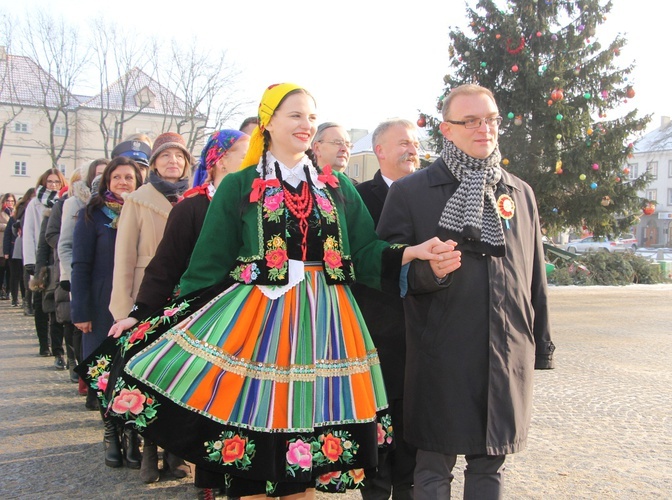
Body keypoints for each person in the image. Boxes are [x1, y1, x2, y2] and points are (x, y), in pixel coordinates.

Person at [105, 83, 457, 499]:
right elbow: (204, 268)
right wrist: (146, 314)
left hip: (324, 329)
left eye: (311, 116)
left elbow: (364, 252)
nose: (306, 124)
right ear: (268, 122)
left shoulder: (336, 188)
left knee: (304, 453)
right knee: (251, 450)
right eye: (295, 115)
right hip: (255, 332)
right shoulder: (238, 187)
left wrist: (412, 252)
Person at [377, 84, 555, 500]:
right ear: (447, 130)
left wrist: (540, 345)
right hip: (441, 353)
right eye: (471, 120)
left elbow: (534, 280)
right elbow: (386, 272)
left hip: (505, 354)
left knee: (490, 464)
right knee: (434, 465)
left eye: (491, 119)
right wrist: (430, 273)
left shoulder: (519, 193)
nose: (484, 129)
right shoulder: (410, 193)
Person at [107, 129, 249, 499]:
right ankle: (206, 480)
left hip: (250, 316)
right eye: (241, 152)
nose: (250, 159)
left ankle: (241, 475)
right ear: (219, 160)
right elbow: (164, 266)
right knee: (205, 398)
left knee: (240, 399)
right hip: (202, 315)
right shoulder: (191, 207)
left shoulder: (257, 205)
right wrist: (137, 313)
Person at [109, 131, 192, 483]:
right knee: (148, 377)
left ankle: (176, 454)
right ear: (154, 162)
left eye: (179, 157)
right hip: (148, 297)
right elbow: (124, 255)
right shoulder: (139, 199)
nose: (173, 162)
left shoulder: (197, 198)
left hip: (186, 298)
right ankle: (148, 452)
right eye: (165, 156)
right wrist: (122, 307)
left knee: (180, 377)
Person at [351, 119, 421, 500]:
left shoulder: (432, 194)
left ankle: (408, 488)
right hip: (375, 328)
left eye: (415, 142)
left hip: (423, 327)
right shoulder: (359, 197)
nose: (412, 149)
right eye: (403, 143)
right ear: (379, 151)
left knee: (415, 420)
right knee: (378, 420)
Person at [72, 157, 143, 468]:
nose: (124, 183)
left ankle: (131, 434)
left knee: (131, 368)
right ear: (107, 182)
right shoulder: (92, 215)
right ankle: (111, 432)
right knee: (105, 371)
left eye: (129, 177)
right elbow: (80, 265)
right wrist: (80, 310)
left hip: (135, 299)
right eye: (117, 178)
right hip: (101, 302)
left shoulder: (143, 211)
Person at [58, 159, 108, 391]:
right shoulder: (84, 210)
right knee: (95, 355)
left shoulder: (135, 210)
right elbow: (70, 249)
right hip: (94, 292)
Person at [24, 169, 68, 355]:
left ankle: (56, 346)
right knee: (40, 303)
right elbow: (30, 233)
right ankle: (44, 344)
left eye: (56, 182)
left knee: (53, 303)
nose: (52, 185)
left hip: (57, 259)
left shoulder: (62, 203)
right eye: (49, 182)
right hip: (40, 257)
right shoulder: (35, 203)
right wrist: (31, 261)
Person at [4, 189, 34, 308]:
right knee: (15, 275)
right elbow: (8, 233)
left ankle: (24, 299)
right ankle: (15, 299)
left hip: (26, 247)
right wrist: (6, 251)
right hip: (15, 248)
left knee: (24, 275)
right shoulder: (17, 214)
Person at [0, 193, 15, 300]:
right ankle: (1, 290)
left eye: (12, 201)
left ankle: (8, 291)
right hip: (1, 245)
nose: (10, 203)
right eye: (8, 201)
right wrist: (7, 226)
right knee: (1, 269)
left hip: (11, 245)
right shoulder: (1, 213)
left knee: (10, 271)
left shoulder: (14, 213)